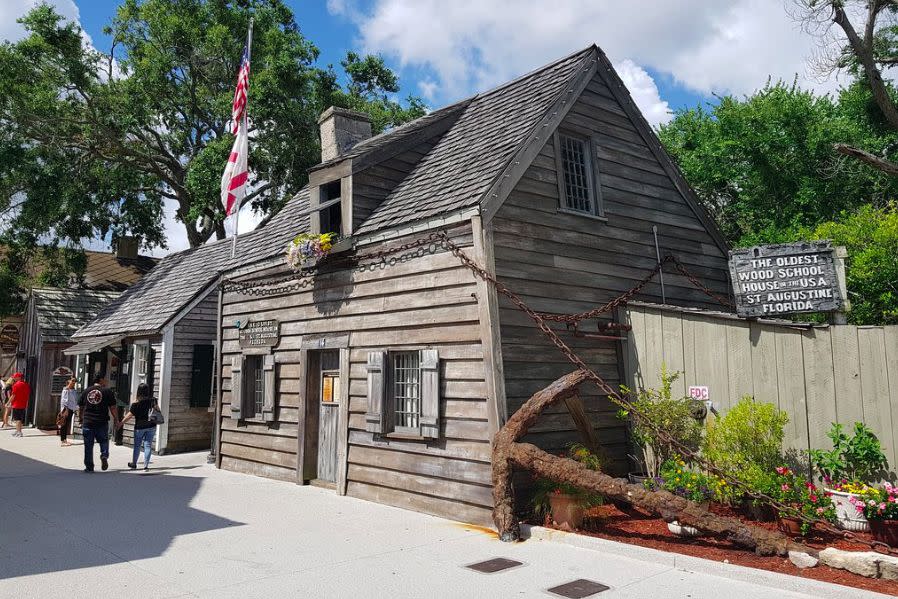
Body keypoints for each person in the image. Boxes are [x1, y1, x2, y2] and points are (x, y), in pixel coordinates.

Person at [77, 375, 118, 472]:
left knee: (88, 445)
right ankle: (104, 455)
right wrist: (116, 419)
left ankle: (89, 467)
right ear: (101, 380)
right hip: (101, 421)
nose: (106, 381)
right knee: (104, 441)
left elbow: (81, 407)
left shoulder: (86, 391)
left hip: (88, 421)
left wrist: (81, 418)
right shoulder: (107, 392)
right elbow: (112, 408)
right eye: (105, 379)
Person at [117, 383, 157, 471]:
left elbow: (129, 415)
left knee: (137, 446)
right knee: (148, 445)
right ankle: (146, 466)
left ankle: (134, 464)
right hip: (151, 425)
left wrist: (121, 423)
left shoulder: (136, 403)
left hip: (140, 427)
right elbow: (157, 410)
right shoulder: (153, 400)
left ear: (138, 391)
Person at [8, 372, 31, 438]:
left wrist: (8, 402)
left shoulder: (16, 385)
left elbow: (13, 395)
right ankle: (18, 430)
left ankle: (19, 432)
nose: (14, 378)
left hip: (16, 404)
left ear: (19, 377)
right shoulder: (26, 385)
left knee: (17, 419)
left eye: (15, 377)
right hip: (23, 404)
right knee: (20, 419)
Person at [59, 378, 79, 446]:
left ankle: (65, 439)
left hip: (72, 409)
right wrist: (65, 410)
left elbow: (75, 401)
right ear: (68, 382)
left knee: (67, 424)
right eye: (72, 381)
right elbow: (64, 401)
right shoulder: (66, 390)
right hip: (67, 409)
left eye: (74, 381)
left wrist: (76, 408)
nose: (73, 382)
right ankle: (62, 440)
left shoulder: (74, 390)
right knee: (64, 424)